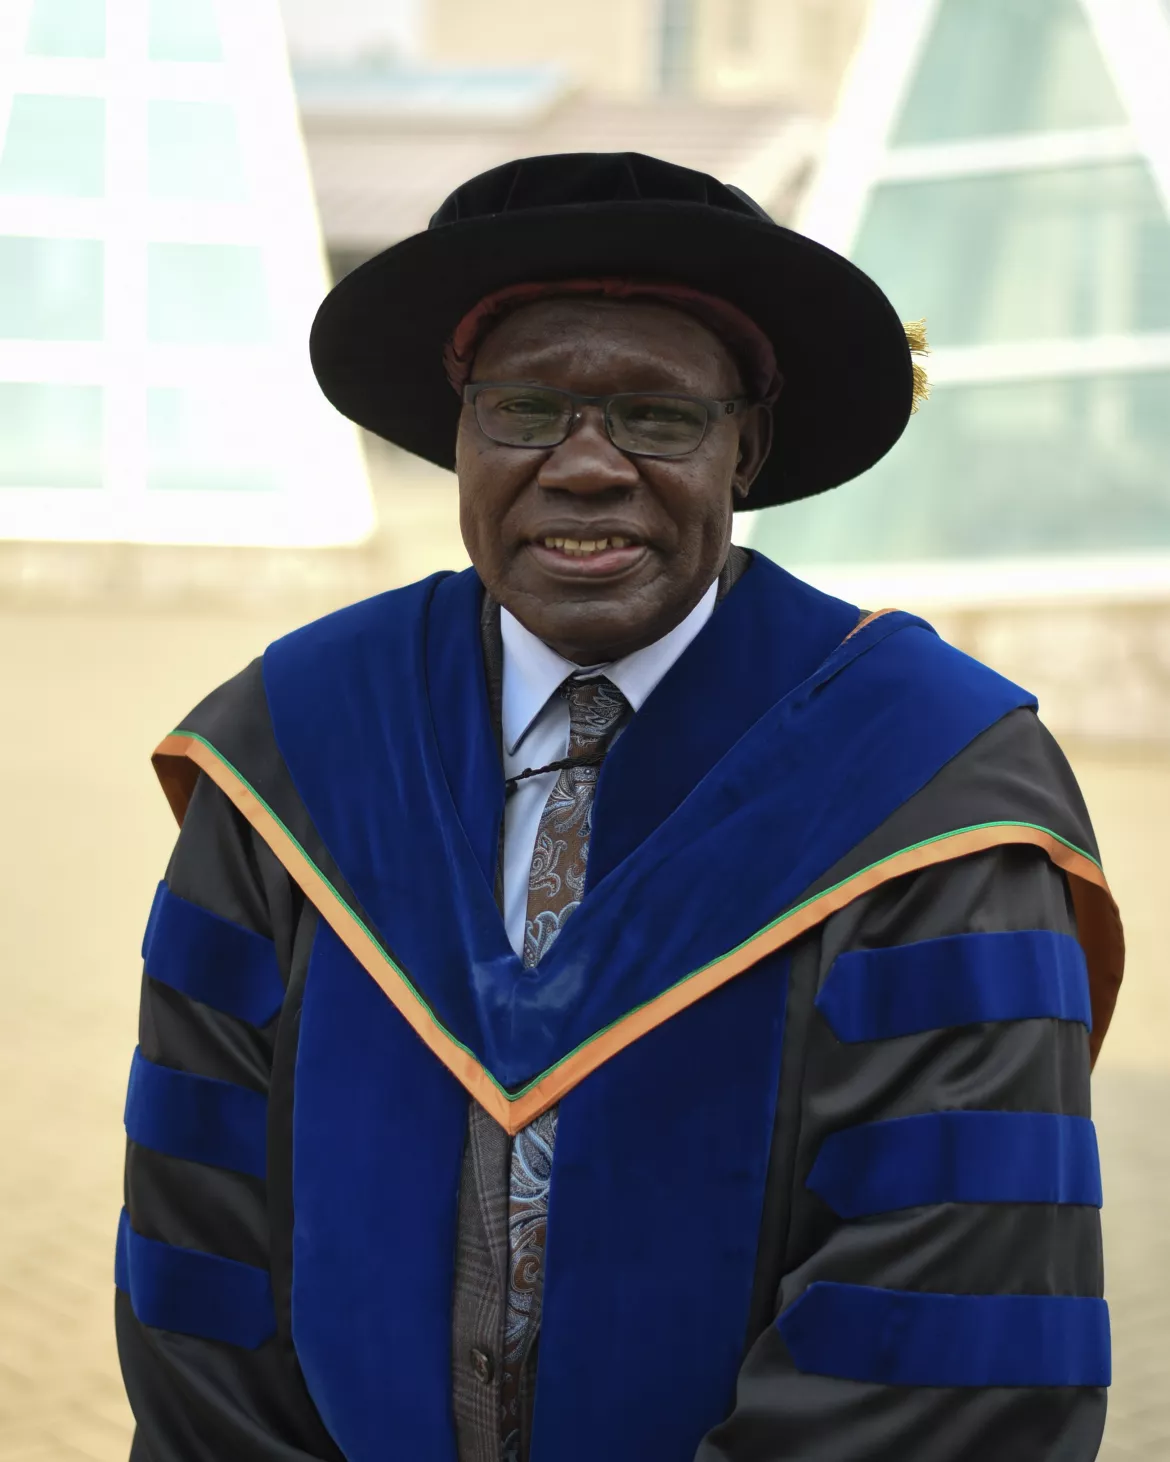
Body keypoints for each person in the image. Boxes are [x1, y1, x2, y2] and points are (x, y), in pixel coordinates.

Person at [116, 152, 1122, 1462]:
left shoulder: (923, 780)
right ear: (458, 438)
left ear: (743, 447)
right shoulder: (292, 746)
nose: (584, 467)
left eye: (656, 415)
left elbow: (942, 1326)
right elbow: (201, 1259)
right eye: (526, 407)